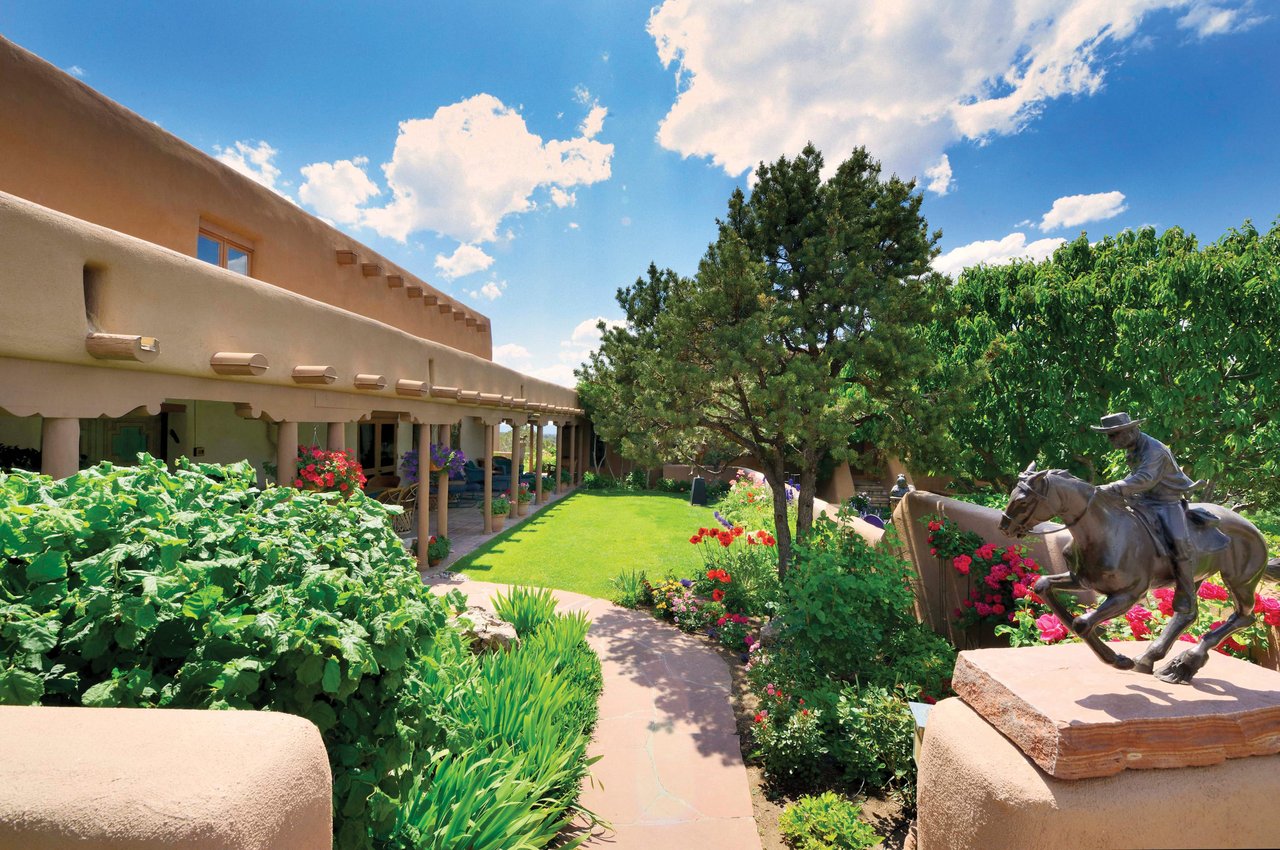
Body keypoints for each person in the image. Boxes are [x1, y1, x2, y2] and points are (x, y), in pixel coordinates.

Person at [1092, 413, 1199, 615]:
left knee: (1179, 542)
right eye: (1109, 435)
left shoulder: (1154, 450)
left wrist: (1113, 487)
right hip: (1142, 499)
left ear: (1131, 431)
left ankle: (1186, 593)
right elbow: (1135, 476)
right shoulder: (1132, 448)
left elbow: (1145, 478)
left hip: (1166, 501)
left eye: (1114, 434)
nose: (1111, 440)